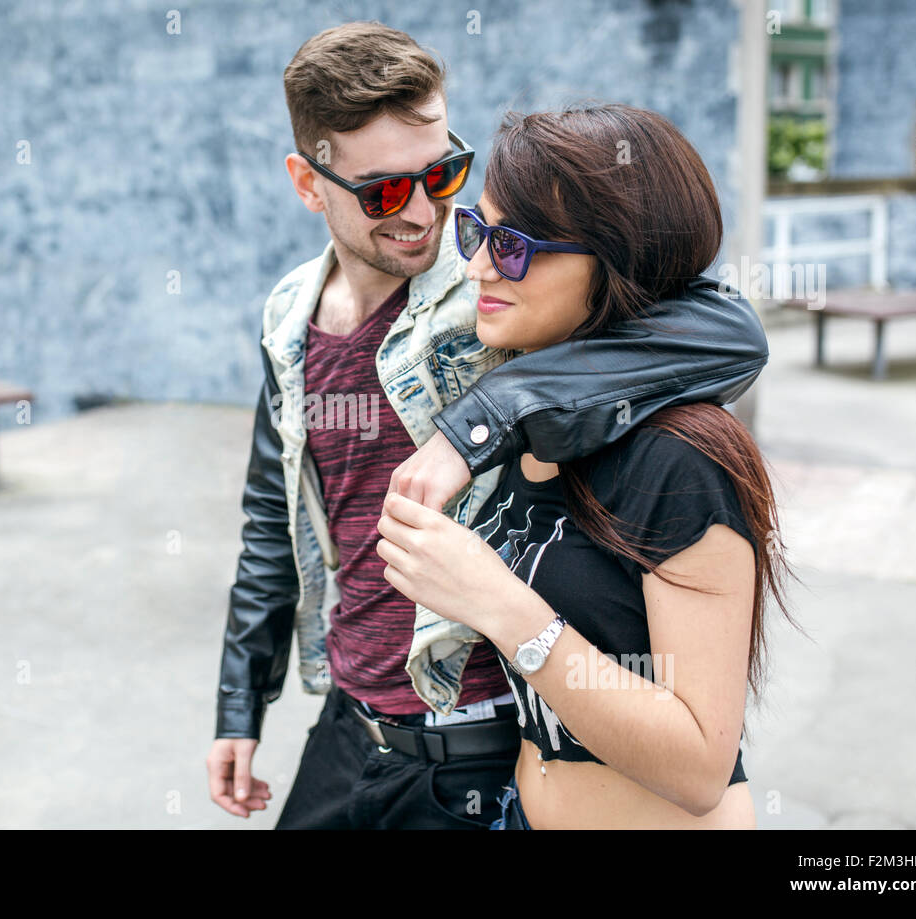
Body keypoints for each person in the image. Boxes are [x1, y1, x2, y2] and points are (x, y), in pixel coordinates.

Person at [207, 23, 770, 830]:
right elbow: (274, 514)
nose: (427, 213)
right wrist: (239, 702)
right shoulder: (288, 317)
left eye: (442, 173)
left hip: (486, 739)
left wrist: (475, 423)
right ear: (308, 181)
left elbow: (727, 331)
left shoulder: (500, 283)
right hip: (350, 720)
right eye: (382, 191)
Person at [376, 102, 799, 829]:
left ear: (616, 260)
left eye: (511, 245)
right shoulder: (529, 411)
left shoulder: (681, 456)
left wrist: (499, 606)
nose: (478, 265)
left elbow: (699, 765)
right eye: (475, 232)